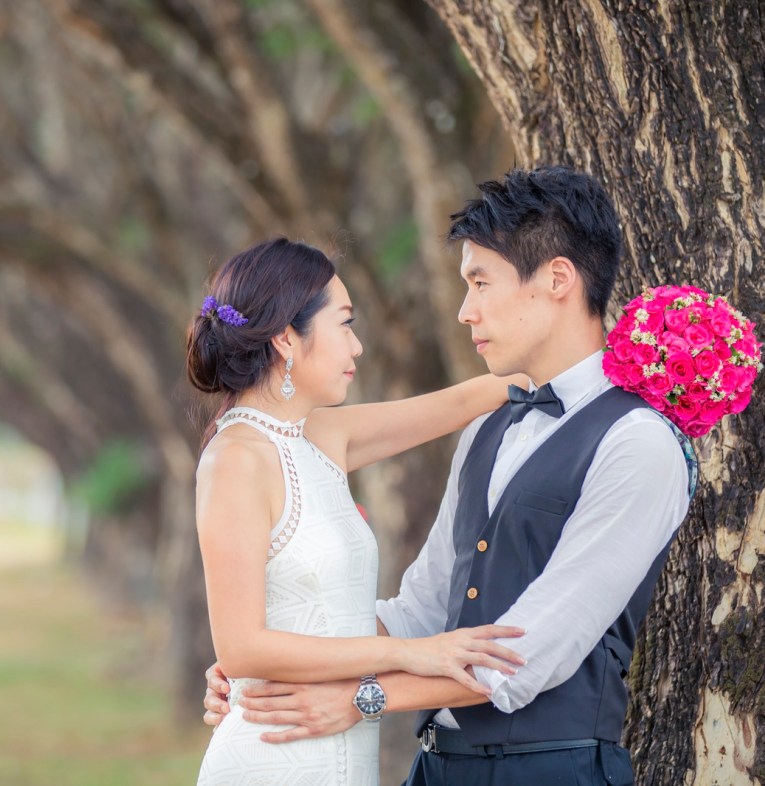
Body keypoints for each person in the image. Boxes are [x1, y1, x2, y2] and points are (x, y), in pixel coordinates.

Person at [203, 168, 697, 785]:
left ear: (558, 279)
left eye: (481, 282)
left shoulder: (638, 442)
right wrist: (274, 660)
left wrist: (363, 695)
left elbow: (535, 650)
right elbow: (425, 607)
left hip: (549, 770)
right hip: (437, 767)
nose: (465, 312)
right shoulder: (489, 430)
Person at [187, 237, 533, 786]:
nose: (357, 347)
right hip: (273, 759)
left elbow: (465, 401)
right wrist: (410, 653)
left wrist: (625, 368)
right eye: (344, 325)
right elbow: (241, 645)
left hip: (342, 757)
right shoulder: (236, 458)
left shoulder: (320, 436)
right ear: (285, 339)